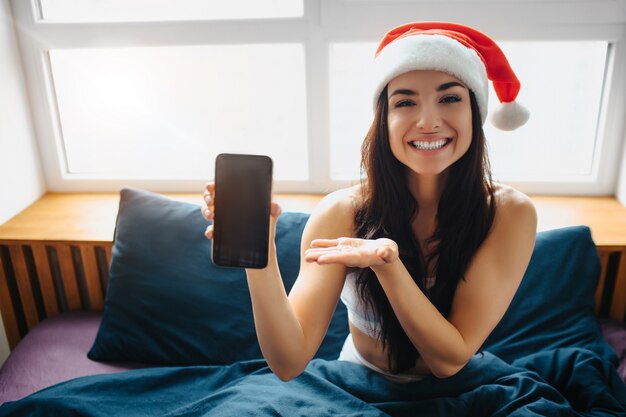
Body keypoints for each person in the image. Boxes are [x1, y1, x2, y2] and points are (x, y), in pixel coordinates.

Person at [201, 21, 537, 383]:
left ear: (476, 111)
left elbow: (449, 361)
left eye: (450, 98)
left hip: (463, 389)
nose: (427, 122)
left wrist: (385, 265)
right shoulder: (342, 211)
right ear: (383, 120)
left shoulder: (509, 213)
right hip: (358, 386)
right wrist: (258, 253)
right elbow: (288, 361)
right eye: (405, 102)